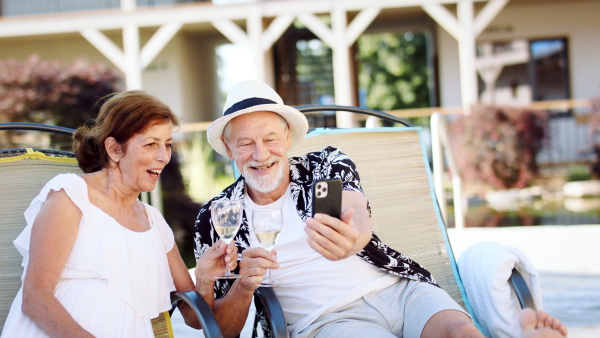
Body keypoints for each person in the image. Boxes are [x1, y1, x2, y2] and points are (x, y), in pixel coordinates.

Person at [193, 80, 568, 338]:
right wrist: (243, 285)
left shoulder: (322, 168)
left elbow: (354, 212)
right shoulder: (218, 217)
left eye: (270, 139)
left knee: (460, 333)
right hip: (329, 320)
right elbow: (222, 330)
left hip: (398, 289)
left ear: (287, 138)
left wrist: (351, 238)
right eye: (245, 144)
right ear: (228, 149)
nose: (261, 154)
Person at [1, 90, 238, 337]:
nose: (163, 157)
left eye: (167, 145)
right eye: (150, 144)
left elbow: (193, 316)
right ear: (114, 149)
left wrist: (205, 277)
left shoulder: (153, 221)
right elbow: (35, 297)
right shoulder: (72, 196)